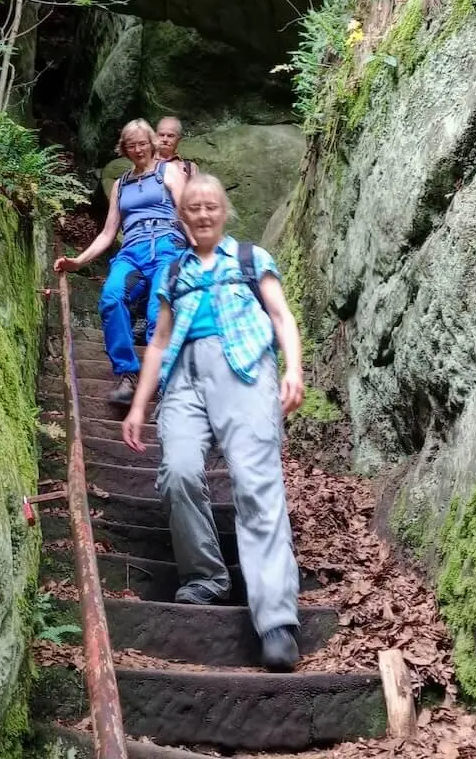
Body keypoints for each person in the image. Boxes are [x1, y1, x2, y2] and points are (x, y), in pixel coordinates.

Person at [122, 173, 305, 672]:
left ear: (224, 211)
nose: (202, 214)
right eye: (192, 208)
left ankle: (276, 622)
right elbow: (158, 343)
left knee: (255, 484)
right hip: (184, 378)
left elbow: (282, 316)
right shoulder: (172, 272)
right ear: (181, 217)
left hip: (245, 369)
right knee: (178, 470)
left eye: (210, 207)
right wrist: (140, 405)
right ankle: (205, 575)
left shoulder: (250, 259)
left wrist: (293, 368)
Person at [54, 119, 189, 405]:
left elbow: (186, 213)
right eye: (131, 145)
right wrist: (78, 262)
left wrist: (203, 251)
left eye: (142, 143)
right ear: (124, 149)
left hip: (168, 245)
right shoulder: (121, 184)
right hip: (132, 250)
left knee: (158, 311)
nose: (138, 149)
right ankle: (127, 375)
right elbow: (108, 233)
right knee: (112, 298)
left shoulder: (170, 171)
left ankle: (163, 383)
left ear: (152, 143)